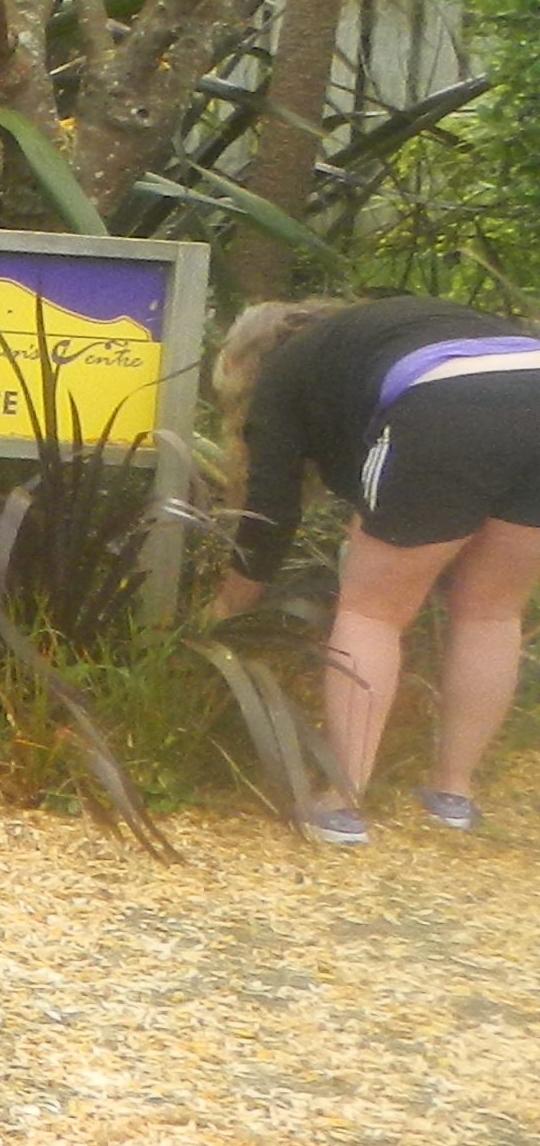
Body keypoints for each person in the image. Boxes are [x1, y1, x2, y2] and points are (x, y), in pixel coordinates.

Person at [209, 294, 540, 843]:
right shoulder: (376, 334)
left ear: (245, 360)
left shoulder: (284, 370)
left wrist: (226, 610)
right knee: (492, 611)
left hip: (445, 398)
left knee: (372, 613)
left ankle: (343, 800)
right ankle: (453, 794)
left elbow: (270, 513)